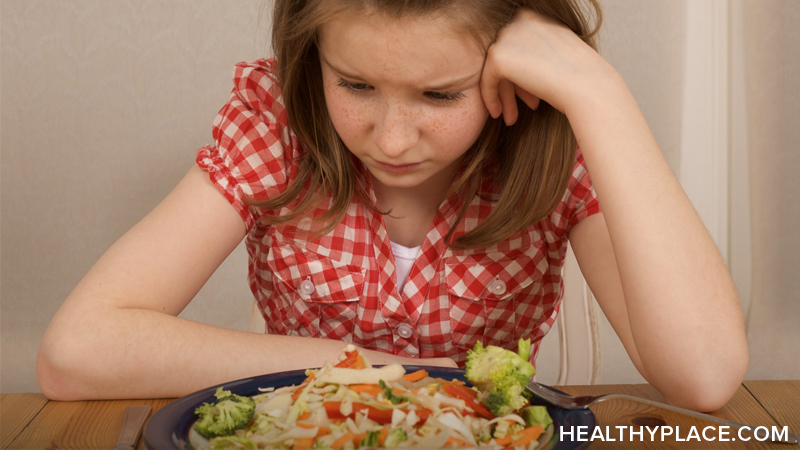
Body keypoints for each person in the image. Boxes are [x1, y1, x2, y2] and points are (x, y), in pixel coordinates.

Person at [36, 0, 748, 411]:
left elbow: (706, 374)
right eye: (355, 86)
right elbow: (76, 353)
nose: (392, 139)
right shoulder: (277, 124)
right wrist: (380, 368)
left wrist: (598, 92)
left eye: (440, 95)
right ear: (310, 55)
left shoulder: (556, 141)